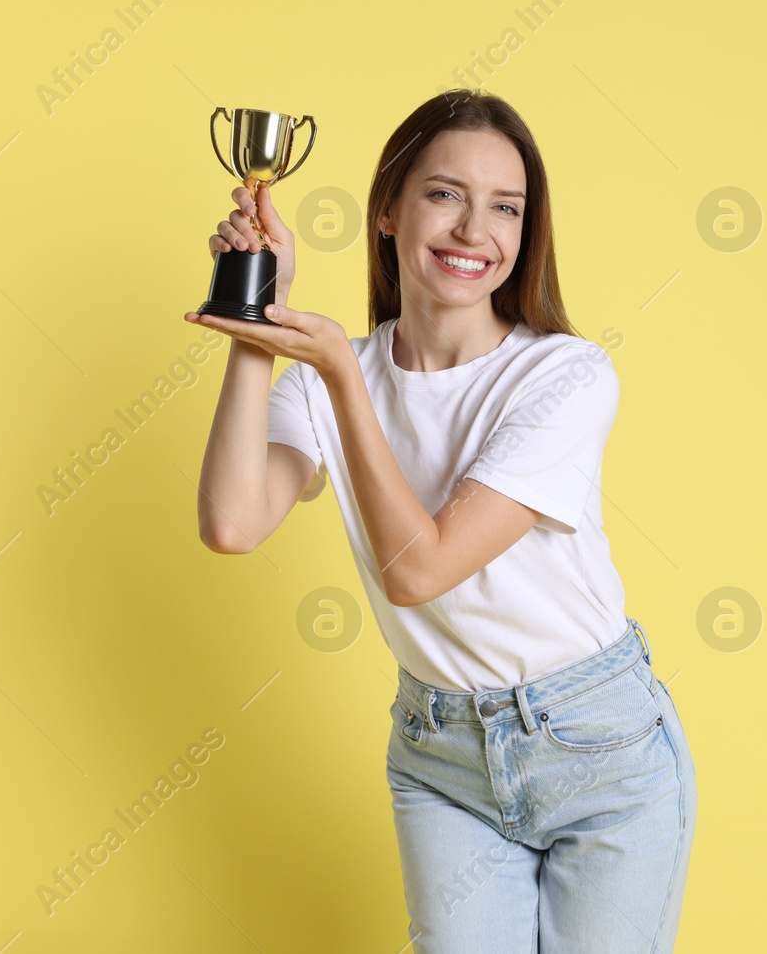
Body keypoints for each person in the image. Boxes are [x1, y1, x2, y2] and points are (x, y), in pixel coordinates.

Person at [184, 89, 696, 952]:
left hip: (597, 747)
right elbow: (233, 522)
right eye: (445, 194)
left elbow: (421, 570)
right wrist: (252, 322)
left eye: (506, 207)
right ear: (388, 208)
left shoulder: (565, 377)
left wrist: (344, 382)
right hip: (442, 755)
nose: (474, 231)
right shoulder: (327, 373)